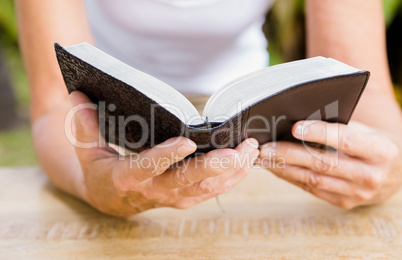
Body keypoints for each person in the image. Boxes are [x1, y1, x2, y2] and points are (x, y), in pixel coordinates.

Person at [16, 0, 402, 217]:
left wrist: (392, 164)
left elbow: (366, 92)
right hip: (115, 118)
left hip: (248, 114)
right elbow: (55, 105)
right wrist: (91, 184)